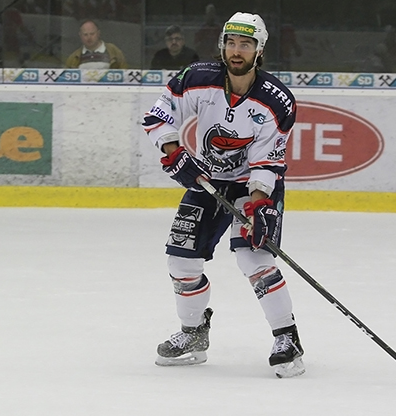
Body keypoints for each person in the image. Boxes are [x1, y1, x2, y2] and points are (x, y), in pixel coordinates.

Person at [142, 12, 304, 378]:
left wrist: (260, 203)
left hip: (253, 184)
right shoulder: (197, 78)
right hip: (208, 179)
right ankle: (194, 333)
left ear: (259, 50)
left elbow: (266, 160)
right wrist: (173, 152)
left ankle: (287, 337)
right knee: (181, 262)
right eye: (230, 43)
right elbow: (158, 116)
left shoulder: (277, 100)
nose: (236, 50)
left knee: (254, 258)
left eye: (245, 44)